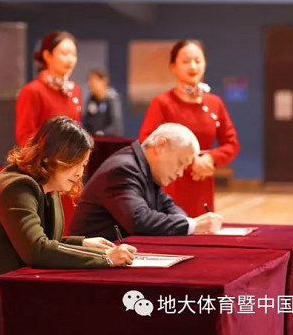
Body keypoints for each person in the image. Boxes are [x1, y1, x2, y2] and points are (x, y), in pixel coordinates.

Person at [0, 116, 136, 335]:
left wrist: (83, 243)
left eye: (84, 165)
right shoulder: (17, 188)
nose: (80, 172)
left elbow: (44, 241)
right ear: (53, 158)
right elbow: (36, 250)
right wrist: (106, 259)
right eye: (76, 163)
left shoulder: (46, 187)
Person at [69, 123, 223, 241]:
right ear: (161, 146)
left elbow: (168, 206)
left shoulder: (144, 167)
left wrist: (186, 222)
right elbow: (139, 220)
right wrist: (193, 225)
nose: (180, 173)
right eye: (180, 163)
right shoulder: (124, 169)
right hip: (89, 264)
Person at [138, 40, 240, 216]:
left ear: (205, 64)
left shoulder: (215, 103)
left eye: (197, 60)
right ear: (173, 66)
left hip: (203, 180)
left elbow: (231, 144)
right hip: (170, 183)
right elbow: (146, 141)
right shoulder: (162, 102)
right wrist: (191, 161)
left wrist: (211, 159)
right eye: (186, 61)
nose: (193, 66)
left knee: (203, 228)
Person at [15, 30, 82, 146]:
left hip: (71, 156)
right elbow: (25, 137)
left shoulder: (75, 90)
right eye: (64, 53)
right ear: (47, 56)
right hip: (43, 156)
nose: (70, 59)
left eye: (73, 54)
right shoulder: (32, 91)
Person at [82, 69, 124, 136]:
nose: (91, 84)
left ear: (104, 81)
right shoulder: (91, 100)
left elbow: (115, 125)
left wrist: (102, 133)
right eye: (89, 81)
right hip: (93, 138)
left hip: (109, 139)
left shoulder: (112, 99)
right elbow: (87, 121)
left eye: (94, 81)